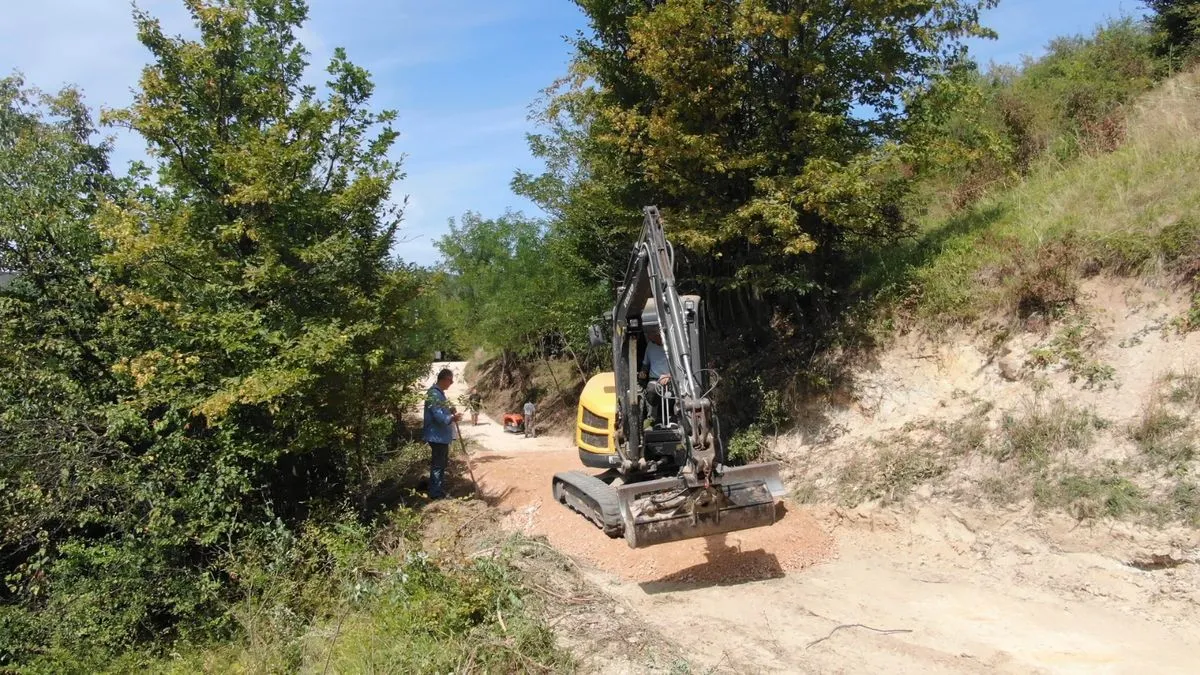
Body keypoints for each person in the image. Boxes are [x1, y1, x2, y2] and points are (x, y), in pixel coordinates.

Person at [423, 367, 462, 499]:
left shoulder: (439, 393)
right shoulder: (434, 394)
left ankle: (437, 490)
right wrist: (452, 417)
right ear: (445, 379)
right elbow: (438, 416)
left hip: (440, 436)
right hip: (436, 436)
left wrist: (449, 410)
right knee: (438, 465)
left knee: (441, 463)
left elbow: (440, 411)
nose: (451, 384)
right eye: (450, 381)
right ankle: (435, 493)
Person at [640, 325, 671, 426]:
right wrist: (643, 373)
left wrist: (669, 375)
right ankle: (651, 419)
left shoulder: (671, 346)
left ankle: (679, 417)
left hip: (672, 378)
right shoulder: (650, 346)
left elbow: (681, 366)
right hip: (655, 379)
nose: (650, 337)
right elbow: (645, 364)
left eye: (652, 335)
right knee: (652, 389)